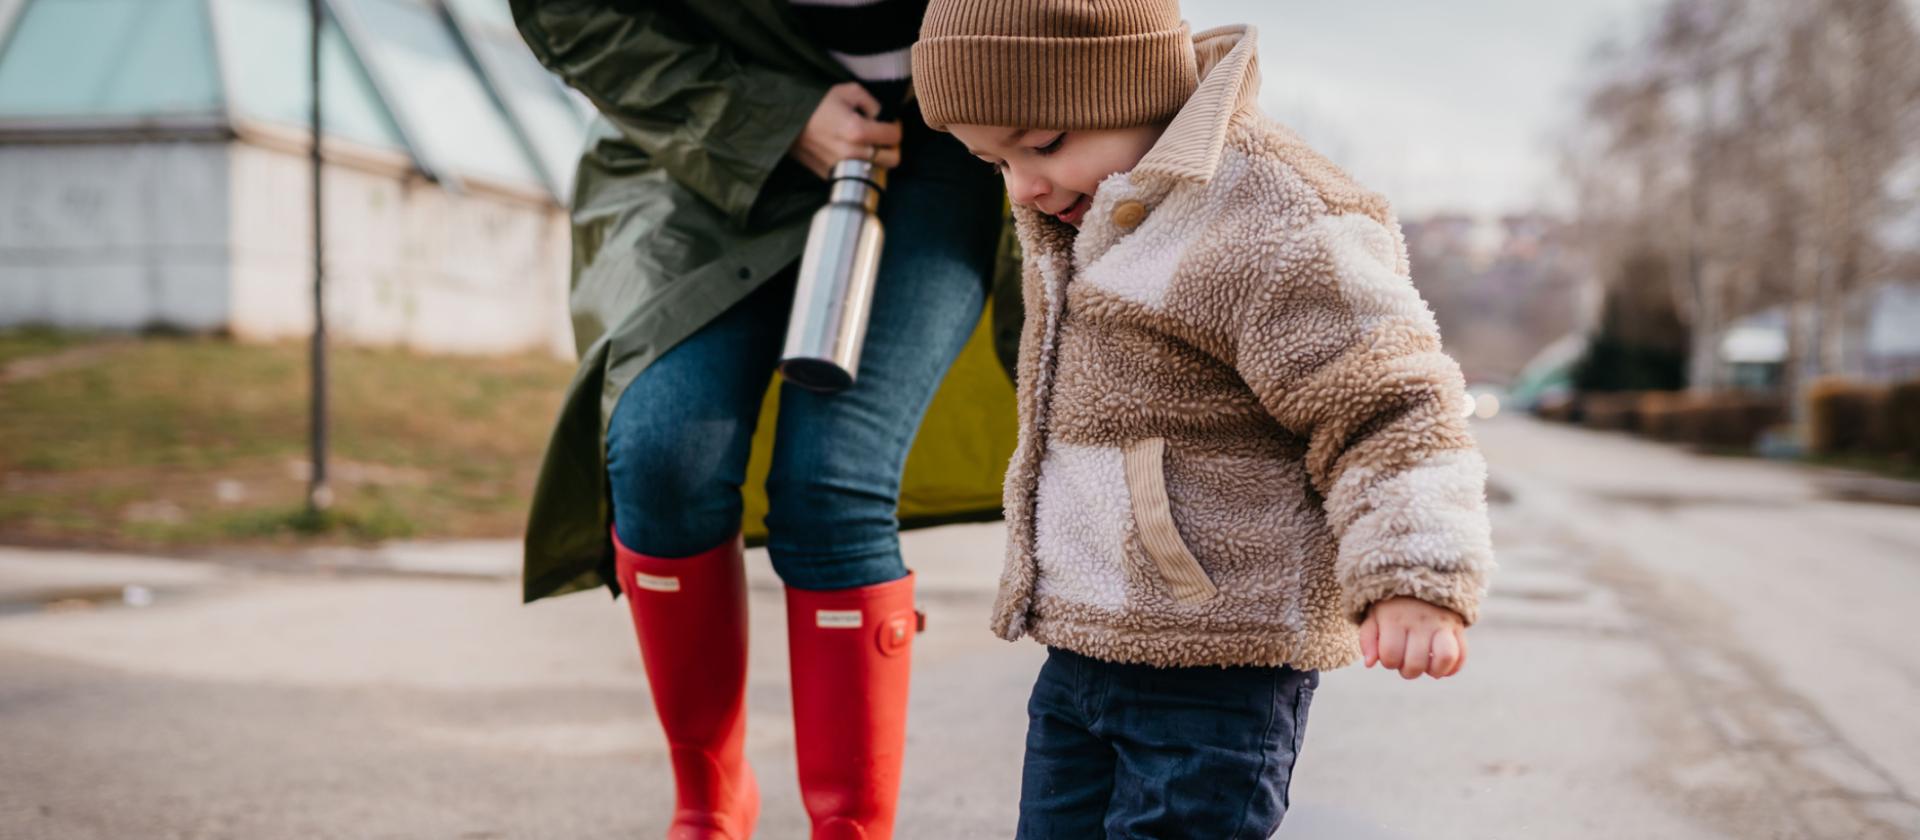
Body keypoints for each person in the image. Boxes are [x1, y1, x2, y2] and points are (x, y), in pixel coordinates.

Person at [909, 1, 1497, 836]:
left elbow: (1389, 402)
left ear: (1133, 88)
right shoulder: (1076, 208)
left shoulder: (1277, 216)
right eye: (990, 161)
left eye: (1041, 145)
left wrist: (1414, 575)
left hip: (1219, 661)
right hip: (1082, 649)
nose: (1024, 185)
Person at [510, 1, 1005, 837]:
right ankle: (710, 801)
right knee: (664, 452)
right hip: (704, 129)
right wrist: (768, 120)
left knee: (832, 483)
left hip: (947, 143)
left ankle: (851, 827)